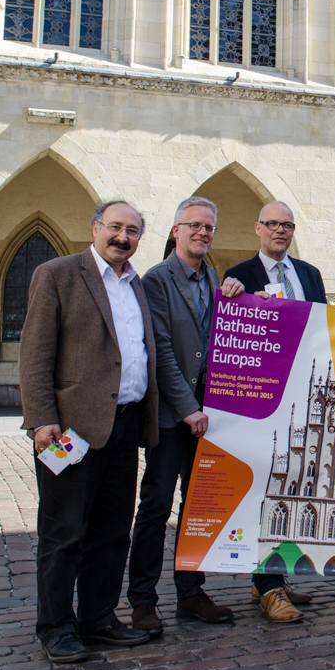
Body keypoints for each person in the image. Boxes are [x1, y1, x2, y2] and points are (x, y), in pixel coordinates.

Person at [20, 201, 159, 663]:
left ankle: (98, 618)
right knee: (63, 533)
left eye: (133, 230)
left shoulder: (134, 284)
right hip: (71, 430)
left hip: (124, 425)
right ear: (95, 227)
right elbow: (35, 354)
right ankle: (56, 627)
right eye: (115, 227)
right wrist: (41, 419)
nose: (123, 236)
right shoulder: (58, 273)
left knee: (112, 531)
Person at [127, 197, 245, 635]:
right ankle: (142, 601)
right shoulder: (156, 280)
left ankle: (191, 592)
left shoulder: (212, 277)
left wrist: (231, 298)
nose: (202, 232)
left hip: (206, 415)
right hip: (170, 415)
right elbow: (160, 352)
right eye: (194, 225)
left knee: (198, 507)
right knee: (155, 506)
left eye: (209, 227)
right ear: (176, 230)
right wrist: (187, 408)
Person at [224, 200, 325, 623]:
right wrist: (238, 299)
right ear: (257, 228)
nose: (279, 231)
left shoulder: (310, 274)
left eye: (286, 225)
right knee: (262, 491)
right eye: (272, 224)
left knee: (291, 489)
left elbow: (324, 328)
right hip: (261, 400)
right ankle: (268, 590)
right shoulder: (238, 276)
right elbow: (228, 328)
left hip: (302, 396)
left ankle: (273, 577)